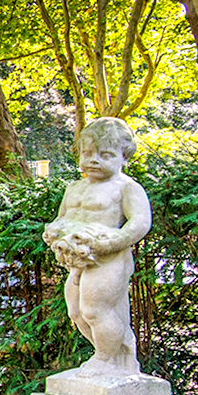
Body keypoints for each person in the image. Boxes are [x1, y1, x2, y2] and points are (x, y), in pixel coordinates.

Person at [43, 117, 152, 376]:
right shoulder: (74, 188)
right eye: (88, 153)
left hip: (109, 257)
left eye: (105, 155)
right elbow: (63, 216)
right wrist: (53, 230)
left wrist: (114, 241)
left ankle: (106, 359)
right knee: (77, 313)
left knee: (95, 309)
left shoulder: (126, 188)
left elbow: (140, 222)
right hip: (77, 260)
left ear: (124, 157)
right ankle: (112, 354)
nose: (94, 160)